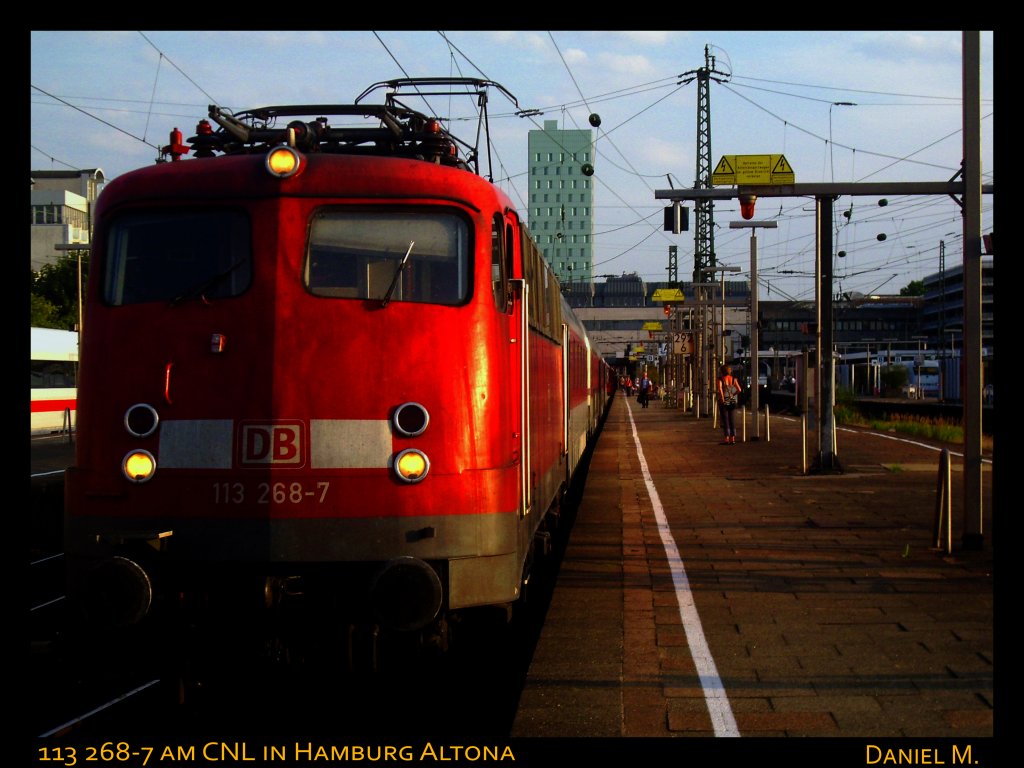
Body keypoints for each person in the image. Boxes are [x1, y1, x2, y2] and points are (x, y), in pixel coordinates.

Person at [716, 363, 742, 444]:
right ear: (729, 371)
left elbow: (720, 390)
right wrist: (732, 395)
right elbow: (739, 390)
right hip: (732, 401)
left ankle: (726, 439)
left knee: (725, 420)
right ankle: (732, 438)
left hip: (723, 401)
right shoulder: (734, 379)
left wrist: (723, 399)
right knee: (732, 420)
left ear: (722, 371)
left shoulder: (720, 379)